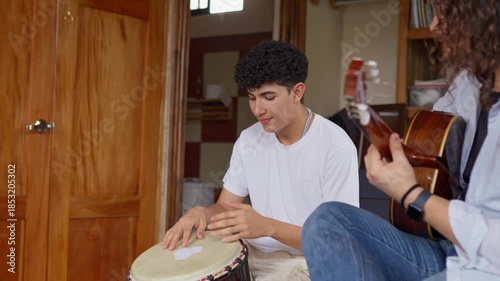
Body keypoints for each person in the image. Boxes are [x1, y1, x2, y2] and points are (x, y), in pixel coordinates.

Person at [302, 1, 500, 280]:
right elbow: (432, 139)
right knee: (327, 221)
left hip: (485, 265)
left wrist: (412, 194)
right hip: (443, 247)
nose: (434, 25)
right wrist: (394, 148)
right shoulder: (468, 84)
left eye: (446, 13)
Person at [161, 40, 359, 280]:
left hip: (308, 263)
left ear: (297, 92)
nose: (257, 109)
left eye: (268, 97)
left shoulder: (334, 145)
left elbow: (337, 240)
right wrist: (201, 212)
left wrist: (268, 226)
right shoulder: (249, 139)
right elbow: (226, 207)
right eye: (252, 97)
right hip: (247, 255)